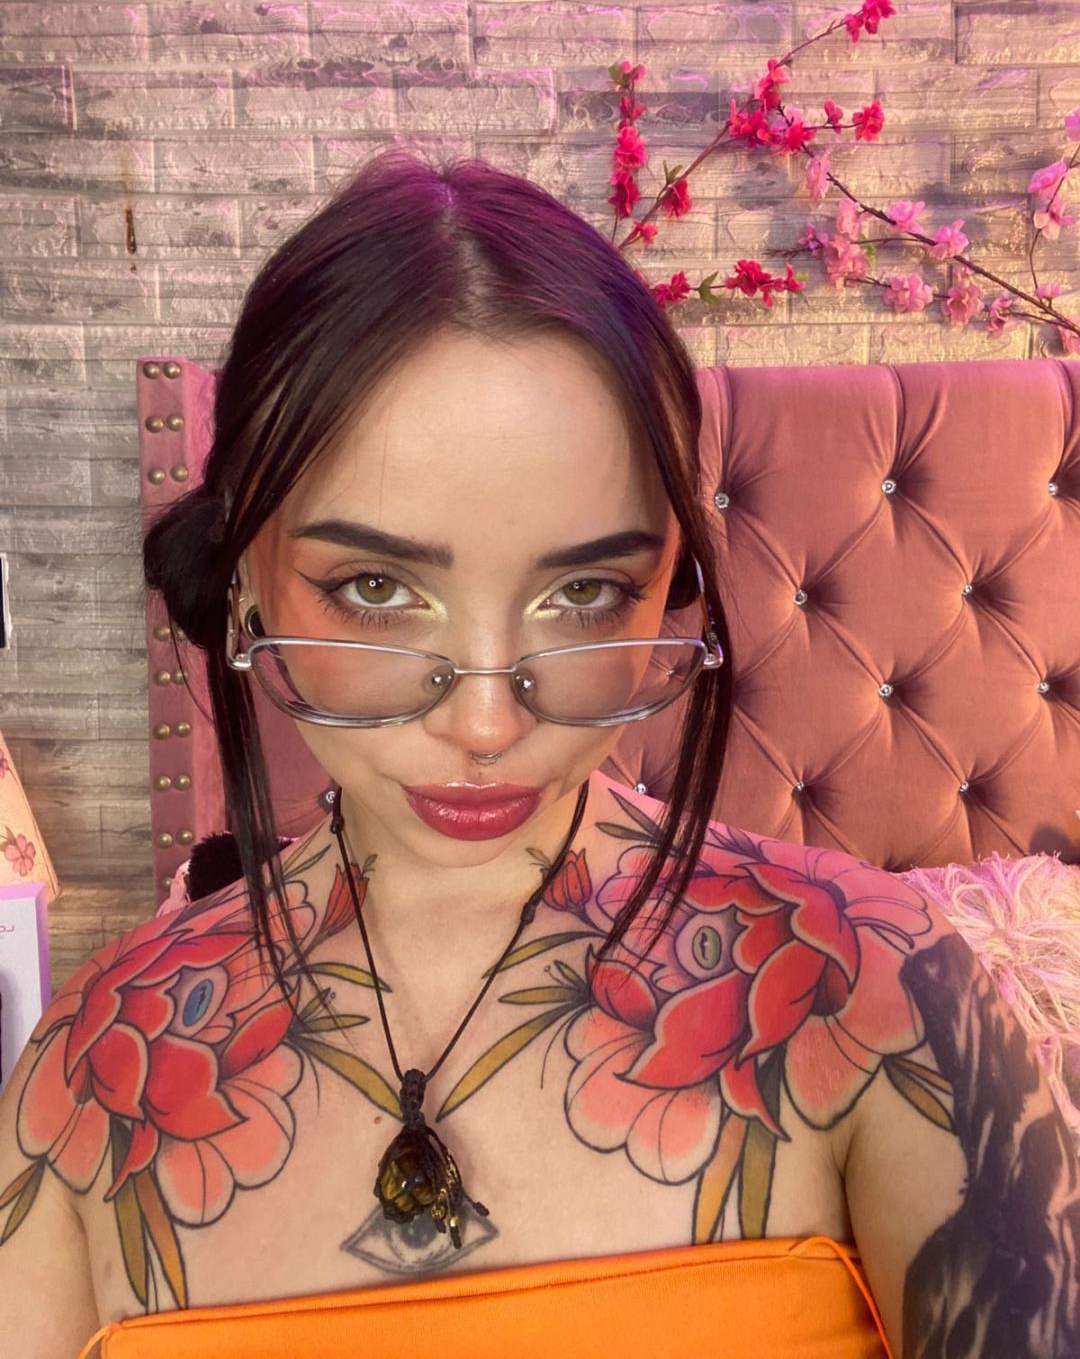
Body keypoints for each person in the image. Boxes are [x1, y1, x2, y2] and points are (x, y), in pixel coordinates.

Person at [1, 151, 1077, 1359]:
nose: (486, 724)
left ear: (671, 579)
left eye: (584, 593)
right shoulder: (86, 1073)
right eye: (375, 587)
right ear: (247, 578)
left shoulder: (883, 996)